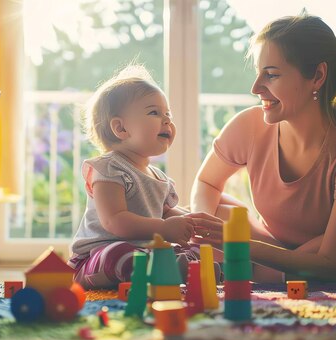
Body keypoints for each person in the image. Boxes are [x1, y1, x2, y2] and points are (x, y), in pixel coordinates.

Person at [190, 15, 336, 282]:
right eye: (258, 74)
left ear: (317, 76)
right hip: (272, 245)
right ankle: (322, 272)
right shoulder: (248, 125)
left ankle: (280, 272)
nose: (256, 88)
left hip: (327, 252)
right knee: (206, 210)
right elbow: (206, 182)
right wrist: (202, 227)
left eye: (271, 75)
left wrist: (236, 247)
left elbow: (331, 259)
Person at [69, 65, 223, 289]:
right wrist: (164, 228)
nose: (167, 120)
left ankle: (191, 268)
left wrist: (192, 221)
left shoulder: (158, 177)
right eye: (154, 113)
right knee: (120, 253)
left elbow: (167, 212)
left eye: (167, 114)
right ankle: (168, 270)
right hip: (97, 257)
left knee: (198, 250)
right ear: (121, 128)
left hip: (144, 252)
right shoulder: (108, 169)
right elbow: (115, 221)